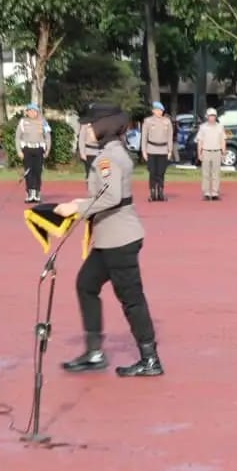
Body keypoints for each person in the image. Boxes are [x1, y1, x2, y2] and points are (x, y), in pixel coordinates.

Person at [53, 103, 163, 377]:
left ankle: (150, 359)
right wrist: (81, 203)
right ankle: (94, 352)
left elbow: (111, 197)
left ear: (104, 126)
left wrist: (76, 208)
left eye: (91, 124)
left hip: (119, 239)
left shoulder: (108, 158)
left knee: (131, 299)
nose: (88, 129)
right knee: (86, 284)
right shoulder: (112, 153)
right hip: (109, 238)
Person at [16, 103, 51, 203]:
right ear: (27, 112)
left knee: (37, 171)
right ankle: (29, 193)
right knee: (28, 172)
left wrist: (47, 150)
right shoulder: (23, 122)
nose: (32, 113)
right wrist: (19, 151)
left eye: (34, 111)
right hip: (27, 149)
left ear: (37, 112)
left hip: (39, 149)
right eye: (30, 111)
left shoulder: (43, 122)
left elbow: (48, 137)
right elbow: (17, 137)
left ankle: (37, 192)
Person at [141, 101, 175, 202]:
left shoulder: (167, 121)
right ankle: (152, 193)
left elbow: (170, 137)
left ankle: (160, 192)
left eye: (161, 110)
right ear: (153, 111)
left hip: (163, 150)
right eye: (157, 110)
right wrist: (144, 151)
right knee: (152, 172)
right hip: (151, 149)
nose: (159, 112)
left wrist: (170, 150)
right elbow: (144, 137)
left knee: (161, 172)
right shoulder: (148, 121)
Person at [196, 107, 227, 201]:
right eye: (210, 116)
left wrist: (223, 152)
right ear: (207, 116)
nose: (212, 117)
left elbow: (223, 140)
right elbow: (200, 141)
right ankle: (206, 192)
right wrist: (199, 153)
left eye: (213, 116)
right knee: (205, 173)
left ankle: (214, 193)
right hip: (206, 151)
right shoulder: (202, 127)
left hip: (217, 151)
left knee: (216, 174)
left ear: (216, 117)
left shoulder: (220, 127)